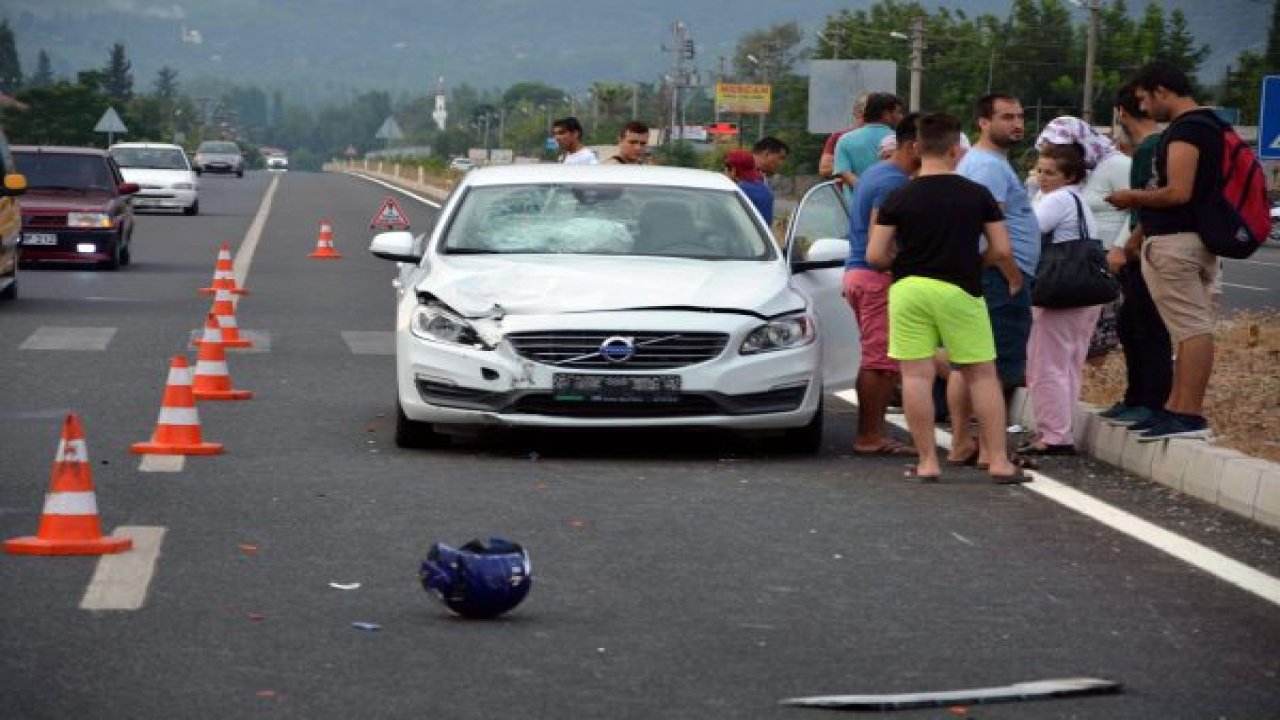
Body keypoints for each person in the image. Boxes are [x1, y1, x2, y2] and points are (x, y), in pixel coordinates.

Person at [866, 113, 1027, 484]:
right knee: (982, 374)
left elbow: (875, 255)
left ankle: (927, 462)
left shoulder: (898, 195)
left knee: (916, 375)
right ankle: (1000, 461)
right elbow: (1002, 250)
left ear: (918, 149)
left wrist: (902, 263)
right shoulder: (977, 195)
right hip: (960, 288)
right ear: (956, 150)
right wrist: (974, 261)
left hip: (909, 289)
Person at [1105, 61, 1219, 442]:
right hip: (1191, 239)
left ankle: (1186, 413)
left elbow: (1177, 192)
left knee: (1191, 329)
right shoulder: (1209, 125)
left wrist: (1131, 197)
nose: (1144, 107)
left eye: (1144, 98)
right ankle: (1176, 409)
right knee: (1188, 328)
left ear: (1161, 91)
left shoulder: (1188, 129)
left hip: (1178, 242)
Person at [948, 93, 1040, 468]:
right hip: (1001, 276)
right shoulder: (988, 166)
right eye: (1006, 117)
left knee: (966, 362)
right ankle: (989, 448)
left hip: (989, 273)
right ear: (983, 122)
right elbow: (988, 225)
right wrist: (1010, 270)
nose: (1016, 124)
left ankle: (962, 442)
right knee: (997, 366)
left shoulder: (986, 162)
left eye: (1019, 116)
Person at [844, 113, 921, 456]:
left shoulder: (879, 172)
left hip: (860, 274)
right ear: (913, 146)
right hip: (876, 278)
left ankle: (872, 432)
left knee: (882, 361)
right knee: (879, 363)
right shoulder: (892, 183)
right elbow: (880, 244)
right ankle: (869, 435)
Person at [1021, 143, 1106, 455]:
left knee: (1046, 364)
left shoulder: (1057, 199)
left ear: (1069, 176)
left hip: (1059, 292)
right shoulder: (1078, 201)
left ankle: (1053, 435)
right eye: (1039, 171)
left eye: (1050, 173)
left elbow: (1030, 229)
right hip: (1085, 292)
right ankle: (1061, 429)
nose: (1042, 178)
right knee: (1069, 365)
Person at [1100, 83, 1173, 428]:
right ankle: (1136, 397)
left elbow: (1150, 197)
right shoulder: (1149, 147)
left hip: (1144, 249)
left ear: (1121, 113)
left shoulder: (1150, 149)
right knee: (1131, 325)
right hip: (1142, 246)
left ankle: (1150, 400)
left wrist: (1131, 241)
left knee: (1146, 327)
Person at [834, 92, 905, 190]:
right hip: (895, 202)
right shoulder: (902, 141)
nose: (901, 117)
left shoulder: (844, 140)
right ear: (886, 114)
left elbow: (845, 174)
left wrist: (866, 192)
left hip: (854, 204)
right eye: (898, 112)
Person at [819, 92, 868, 178]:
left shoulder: (889, 136)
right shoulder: (839, 137)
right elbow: (825, 169)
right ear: (857, 112)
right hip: (846, 190)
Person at [725, 149, 772, 225]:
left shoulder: (735, 192)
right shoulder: (766, 192)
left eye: (726, 167)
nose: (725, 171)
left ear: (733, 170)